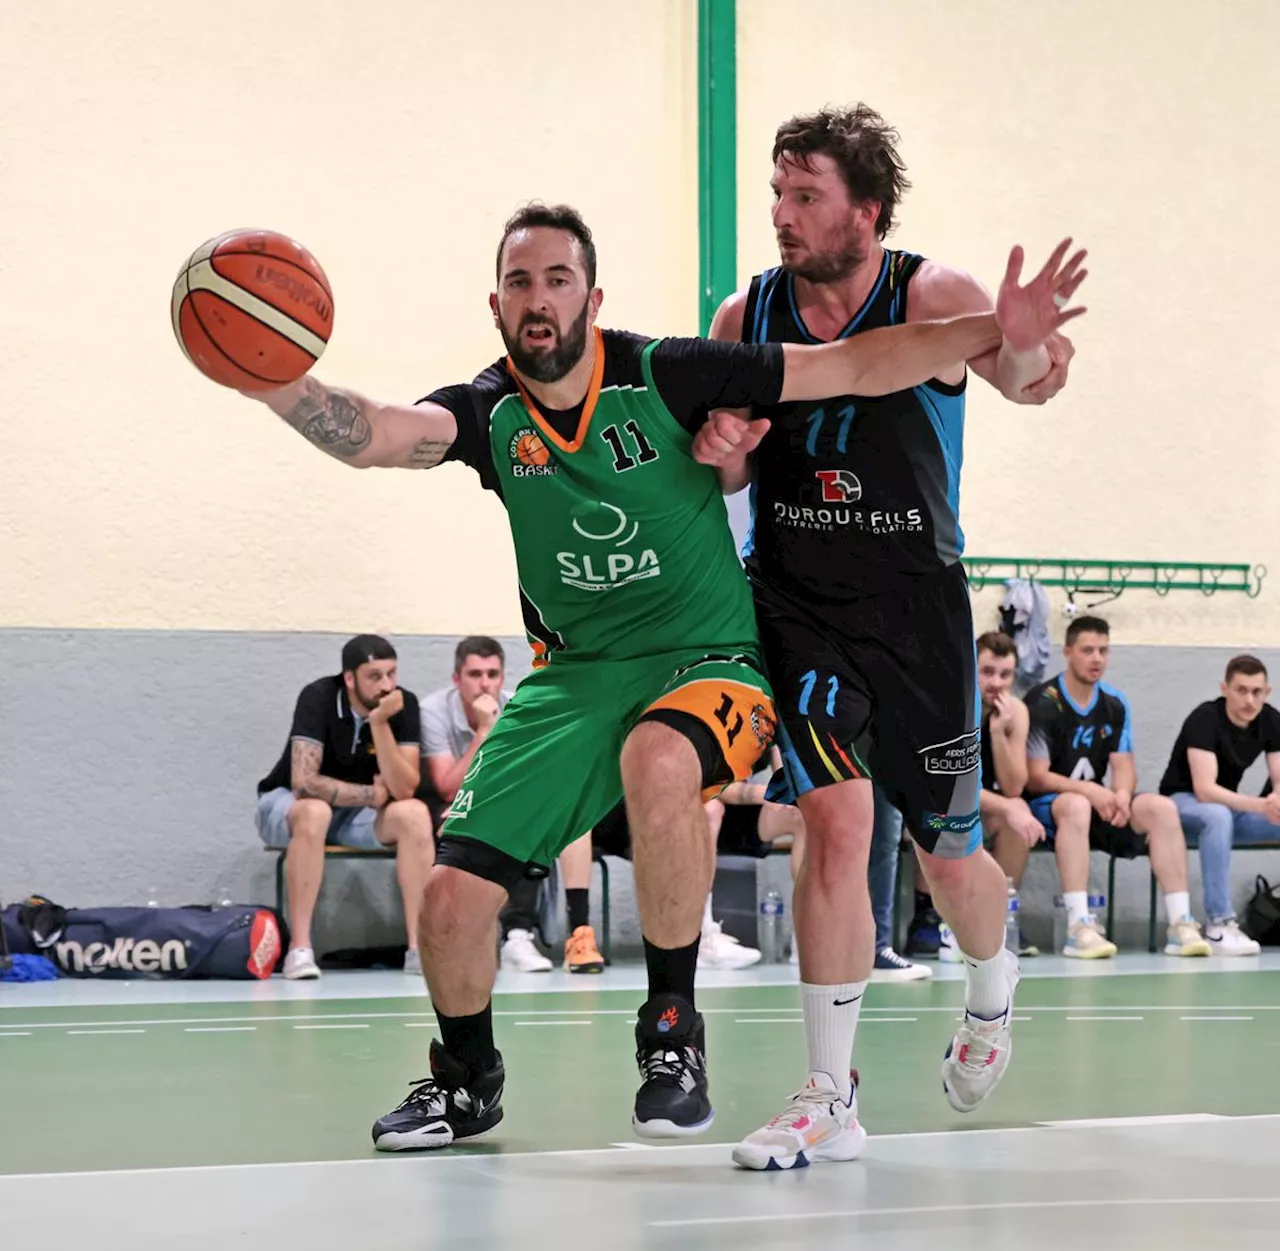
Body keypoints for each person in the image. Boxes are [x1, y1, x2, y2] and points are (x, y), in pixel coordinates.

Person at [235, 201, 1077, 1154]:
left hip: (708, 659)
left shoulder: (666, 372)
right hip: (574, 676)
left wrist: (988, 335)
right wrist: (272, 381)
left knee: (661, 760)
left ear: (593, 298)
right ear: (497, 305)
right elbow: (379, 432)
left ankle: (671, 1037)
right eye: (520, 283)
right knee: (450, 898)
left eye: (558, 280)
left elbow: (845, 365)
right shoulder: (489, 410)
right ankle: (467, 1084)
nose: (539, 299)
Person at [692, 104, 1085, 1169]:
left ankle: (992, 984)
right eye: (776, 193)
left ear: (864, 210)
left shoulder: (932, 294)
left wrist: (1026, 338)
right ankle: (828, 1092)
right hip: (795, 600)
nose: (780, 214)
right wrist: (722, 451)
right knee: (831, 822)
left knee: (948, 849)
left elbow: (1028, 380)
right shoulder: (746, 313)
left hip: (917, 611)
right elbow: (719, 469)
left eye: (803, 195)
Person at [1024, 616, 1210, 958]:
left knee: (1161, 808)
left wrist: (1122, 795)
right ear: (1067, 652)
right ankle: (1079, 926)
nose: (1097, 658)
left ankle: (1180, 923)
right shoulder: (1043, 701)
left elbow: (1124, 766)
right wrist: (1092, 791)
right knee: (1076, 805)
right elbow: (1035, 776)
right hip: (1047, 808)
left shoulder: (1115, 702)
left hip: (1094, 806)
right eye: (1087, 650)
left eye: (1103, 650)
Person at [418, 635, 603, 974]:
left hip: (498, 801)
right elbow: (447, 787)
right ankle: (461, 938)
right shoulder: (433, 711)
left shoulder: (519, 706)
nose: (484, 683)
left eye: (492, 673)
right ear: (457, 678)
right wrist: (484, 730)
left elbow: (531, 779)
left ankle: (524, 935)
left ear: (503, 677)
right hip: (446, 806)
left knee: (541, 818)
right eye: (474, 674)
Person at [256, 634, 434, 979]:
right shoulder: (319, 697)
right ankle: (300, 949)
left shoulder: (402, 705)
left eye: (392, 674)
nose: (387, 685)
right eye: (375, 676)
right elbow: (304, 783)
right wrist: (372, 795)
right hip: (286, 805)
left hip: (355, 817)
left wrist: (380, 724)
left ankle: (418, 948)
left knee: (414, 814)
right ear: (349, 678)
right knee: (315, 811)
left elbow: (405, 788)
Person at [1159, 654, 1280, 954]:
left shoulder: (1270, 719)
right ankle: (1219, 924)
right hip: (1181, 806)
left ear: (1268, 692)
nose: (1249, 700)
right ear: (1224, 688)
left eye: (1257, 692)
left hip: (1228, 812)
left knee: (1224, 816)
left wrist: (1276, 800)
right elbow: (1205, 790)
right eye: (1241, 690)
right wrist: (1260, 805)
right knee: (1216, 815)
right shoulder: (1205, 718)